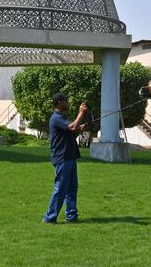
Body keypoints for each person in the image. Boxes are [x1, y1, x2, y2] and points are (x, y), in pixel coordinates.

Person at [43, 93, 88, 224]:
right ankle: (49, 218)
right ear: (59, 103)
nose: (68, 102)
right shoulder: (56, 118)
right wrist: (81, 113)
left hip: (70, 157)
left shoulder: (62, 118)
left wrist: (79, 129)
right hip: (62, 158)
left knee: (72, 188)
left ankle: (71, 216)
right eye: (66, 100)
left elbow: (71, 133)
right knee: (61, 188)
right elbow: (72, 127)